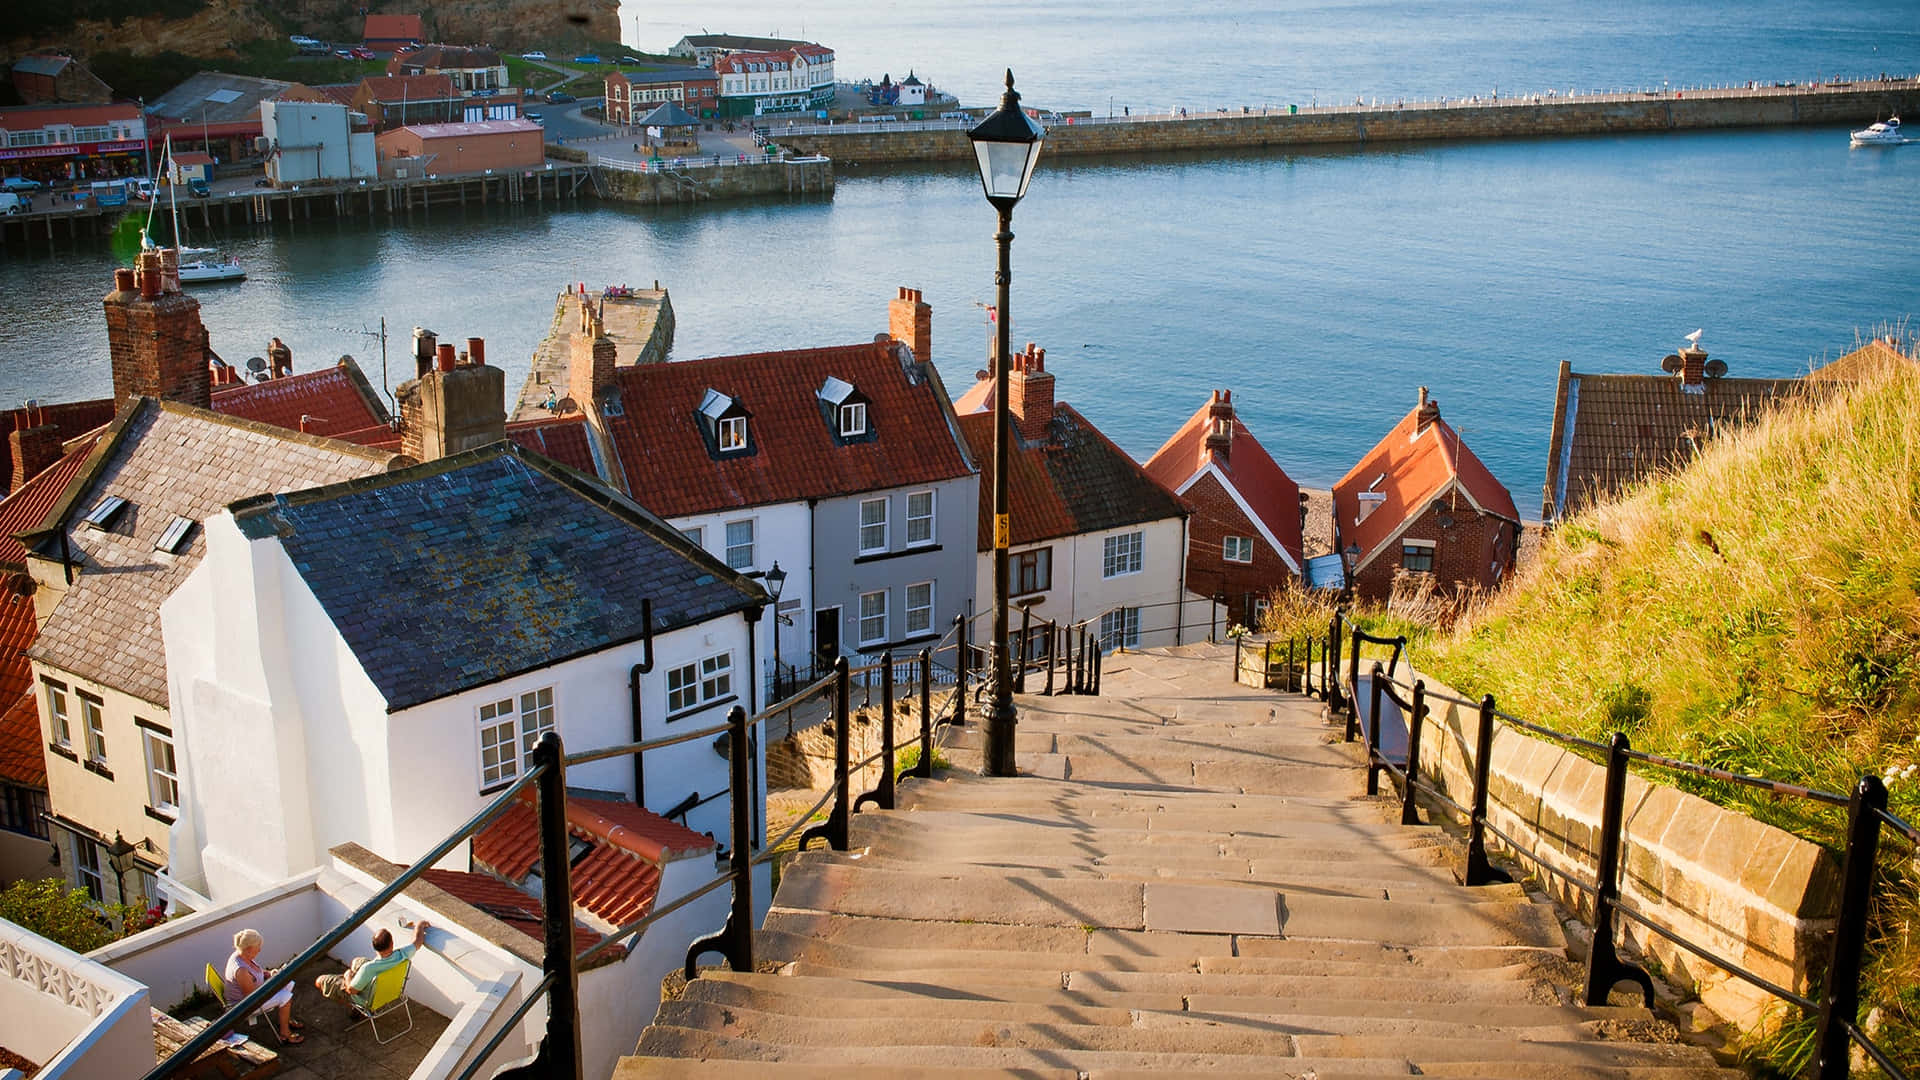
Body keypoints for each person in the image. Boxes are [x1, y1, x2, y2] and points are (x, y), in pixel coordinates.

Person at [315, 919, 430, 1011]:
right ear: (392, 943)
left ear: (374, 947)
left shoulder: (368, 969)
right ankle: (356, 979)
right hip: (391, 992)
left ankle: (355, 1008)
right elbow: (417, 941)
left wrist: (347, 976)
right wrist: (420, 925)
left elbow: (351, 991)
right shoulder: (403, 954)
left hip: (368, 1000)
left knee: (320, 981)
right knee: (357, 961)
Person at [226, 928, 303, 1043]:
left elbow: (256, 972)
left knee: (288, 982)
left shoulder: (242, 955)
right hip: (245, 1006)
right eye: (258, 947)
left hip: (255, 994)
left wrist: (269, 974)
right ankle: (285, 1033)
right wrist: (272, 985)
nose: (260, 950)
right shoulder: (241, 971)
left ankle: (285, 1018)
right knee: (286, 997)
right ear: (249, 949)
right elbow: (252, 998)